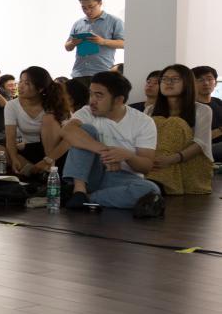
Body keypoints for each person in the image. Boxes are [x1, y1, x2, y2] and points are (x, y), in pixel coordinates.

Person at [61, 72, 162, 215]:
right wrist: (106, 152)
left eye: (99, 96)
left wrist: (128, 156)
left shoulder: (143, 122)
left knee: (151, 190)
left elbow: (146, 166)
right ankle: (79, 191)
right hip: (89, 174)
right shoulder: (87, 112)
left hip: (121, 180)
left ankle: (88, 198)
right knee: (85, 129)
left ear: (118, 100)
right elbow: (67, 131)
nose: (92, 101)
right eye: (91, 94)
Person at [145, 64, 212, 195]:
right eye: (164, 79)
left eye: (175, 79)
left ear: (187, 82)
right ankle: (155, 184)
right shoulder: (150, 110)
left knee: (175, 123)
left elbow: (200, 144)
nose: (168, 82)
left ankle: (155, 184)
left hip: (189, 163)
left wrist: (171, 159)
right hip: (156, 163)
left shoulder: (202, 110)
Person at [3, 66, 73, 179]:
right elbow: (10, 138)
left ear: (40, 89)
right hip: (30, 149)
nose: (20, 86)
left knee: (49, 118)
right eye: (20, 81)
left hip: (56, 153)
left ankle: (49, 171)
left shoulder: (55, 104)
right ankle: (39, 174)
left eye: (27, 83)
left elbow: (70, 139)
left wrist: (48, 159)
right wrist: (14, 158)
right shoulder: (12, 105)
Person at [65, 0, 126, 81]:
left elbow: (124, 44)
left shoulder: (115, 21)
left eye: (91, 7)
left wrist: (103, 41)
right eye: (84, 8)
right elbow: (67, 47)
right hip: (79, 73)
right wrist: (73, 43)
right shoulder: (78, 23)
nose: (87, 11)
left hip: (102, 72)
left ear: (100, 3)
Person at [191, 66, 222, 162]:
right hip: (204, 149)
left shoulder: (218, 102)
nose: (206, 83)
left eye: (209, 79)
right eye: (200, 80)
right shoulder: (189, 107)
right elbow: (193, 139)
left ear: (215, 83)